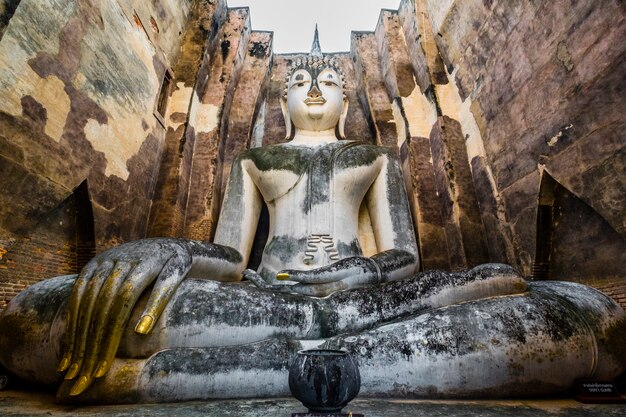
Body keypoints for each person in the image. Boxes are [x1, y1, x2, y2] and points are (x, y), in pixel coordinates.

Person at [0, 51, 624, 404]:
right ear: (280, 100)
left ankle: (186, 377)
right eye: (300, 81)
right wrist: (175, 251)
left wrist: (362, 269)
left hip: (371, 297)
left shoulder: (374, 158)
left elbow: (404, 254)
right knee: (45, 308)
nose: (316, 89)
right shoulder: (256, 160)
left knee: (564, 305)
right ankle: (331, 353)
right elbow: (228, 255)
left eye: (328, 82)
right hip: (268, 301)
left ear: (347, 99)